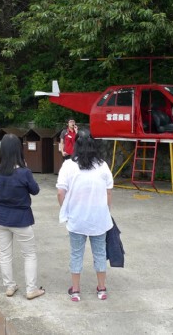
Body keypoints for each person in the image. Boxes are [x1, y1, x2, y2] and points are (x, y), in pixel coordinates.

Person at [56, 129, 113, 302]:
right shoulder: (102, 165)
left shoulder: (68, 165)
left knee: (76, 254)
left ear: (76, 145)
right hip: (99, 219)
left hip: (77, 219)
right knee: (100, 253)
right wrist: (106, 211)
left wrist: (66, 210)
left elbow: (60, 192)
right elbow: (109, 192)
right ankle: (101, 289)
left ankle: (75, 291)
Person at [0, 134, 45, 300]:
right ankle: (31, 289)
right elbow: (35, 190)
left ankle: (9, 286)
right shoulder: (24, 172)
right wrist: (24, 168)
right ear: (19, 150)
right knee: (29, 254)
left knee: (4, 253)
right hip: (21, 219)